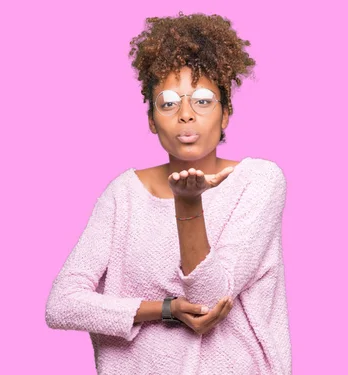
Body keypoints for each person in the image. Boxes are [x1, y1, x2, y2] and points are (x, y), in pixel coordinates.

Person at [44, 12, 291, 375]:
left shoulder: (259, 180)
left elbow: (209, 299)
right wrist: (165, 309)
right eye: (169, 102)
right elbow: (61, 304)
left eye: (203, 100)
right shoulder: (123, 194)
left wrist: (188, 202)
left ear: (226, 115)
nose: (186, 115)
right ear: (151, 118)